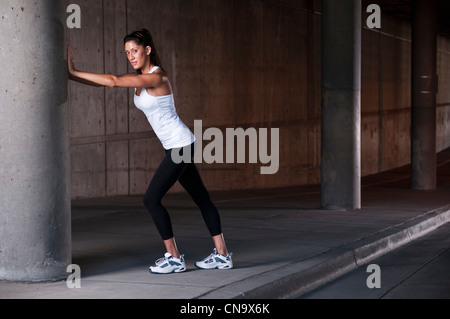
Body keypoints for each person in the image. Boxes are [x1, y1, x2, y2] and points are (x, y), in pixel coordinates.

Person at [68, 29, 233, 274]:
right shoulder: (140, 78)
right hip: (178, 145)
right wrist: (72, 75)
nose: (131, 56)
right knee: (201, 199)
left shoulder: (158, 77)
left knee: (151, 199)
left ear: (147, 50)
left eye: (134, 51)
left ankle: (174, 257)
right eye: (126, 53)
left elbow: (113, 80)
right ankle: (222, 255)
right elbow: (109, 82)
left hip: (181, 145)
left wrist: (75, 71)